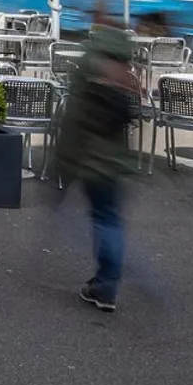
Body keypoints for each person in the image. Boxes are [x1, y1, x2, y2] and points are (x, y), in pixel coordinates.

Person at [54, 20, 137, 314]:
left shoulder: (88, 65)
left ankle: (105, 285)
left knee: (102, 219)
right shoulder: (124, 67)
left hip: (90, 158)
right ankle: (108, 284)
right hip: (115, 160)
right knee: (110, 219)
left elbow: (74, 120)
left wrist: (62, 162)